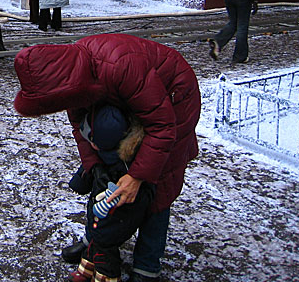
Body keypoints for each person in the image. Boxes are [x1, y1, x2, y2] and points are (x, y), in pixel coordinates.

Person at [13, 34, 201, 282]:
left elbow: (163, 127)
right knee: (105, 176)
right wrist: (94, 166)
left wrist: (136, 176)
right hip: (127, 100)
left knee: (157, 184)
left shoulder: (120, 67)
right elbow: (81, 125)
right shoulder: (71, 76)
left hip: (174, 97)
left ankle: (147, 265)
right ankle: (95, 245)